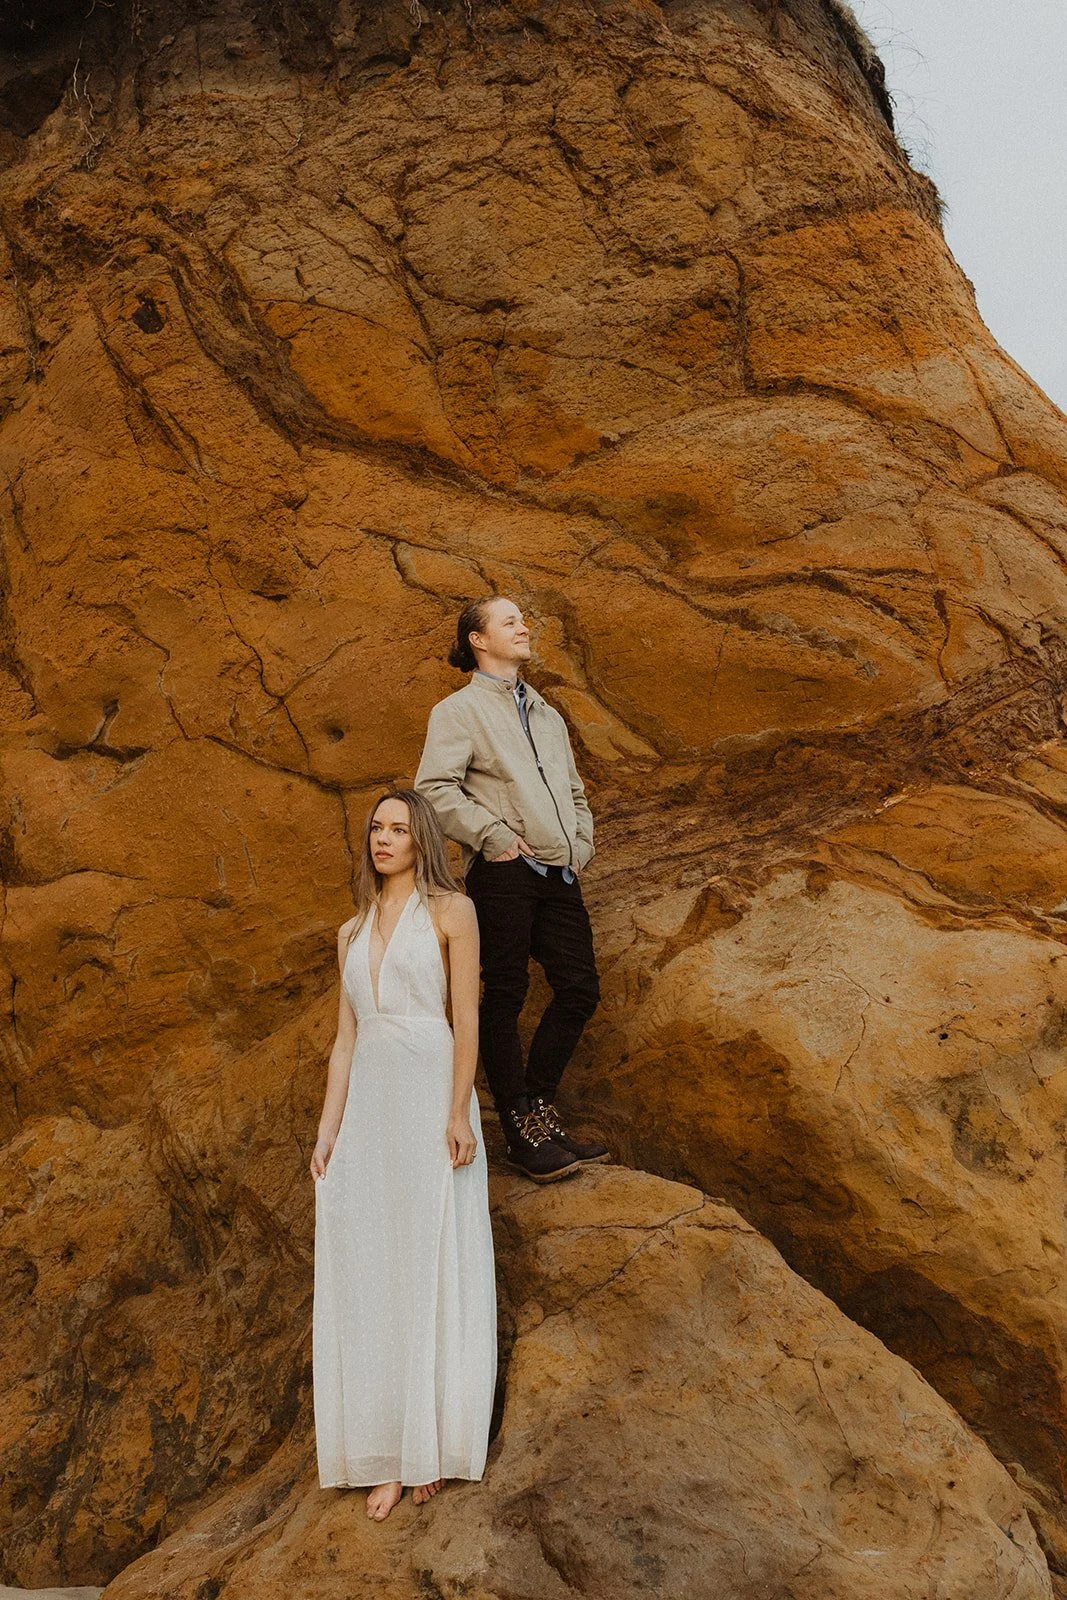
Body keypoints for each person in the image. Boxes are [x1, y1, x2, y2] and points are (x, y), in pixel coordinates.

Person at [311, 790, 496, 1521]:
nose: (382, 839)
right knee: (374, 1268)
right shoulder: (350, 931)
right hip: (369, 1115)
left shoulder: (453, 912)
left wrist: (457, 1110)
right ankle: (386, 1448)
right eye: (374, 829)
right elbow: (345, 1042)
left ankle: (430, 1443)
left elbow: (466, 1015)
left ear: (421, 839)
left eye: (396, 829)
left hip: (428, 1096)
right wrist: (328, 1133)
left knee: (431, 1258)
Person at [415, 596, 609, 1183]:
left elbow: (574, 790)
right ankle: (521, 1130)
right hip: (502, 873)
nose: (524, 627)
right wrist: (492, 834)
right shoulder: (458, 711)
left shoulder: (547, 713)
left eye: (522, 620)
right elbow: (435, 788)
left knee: (579, 988)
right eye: (509, 621)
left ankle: (539, 1107)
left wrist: (579, 845)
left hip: (558, 871)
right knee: (505, 994)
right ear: (477, 639)